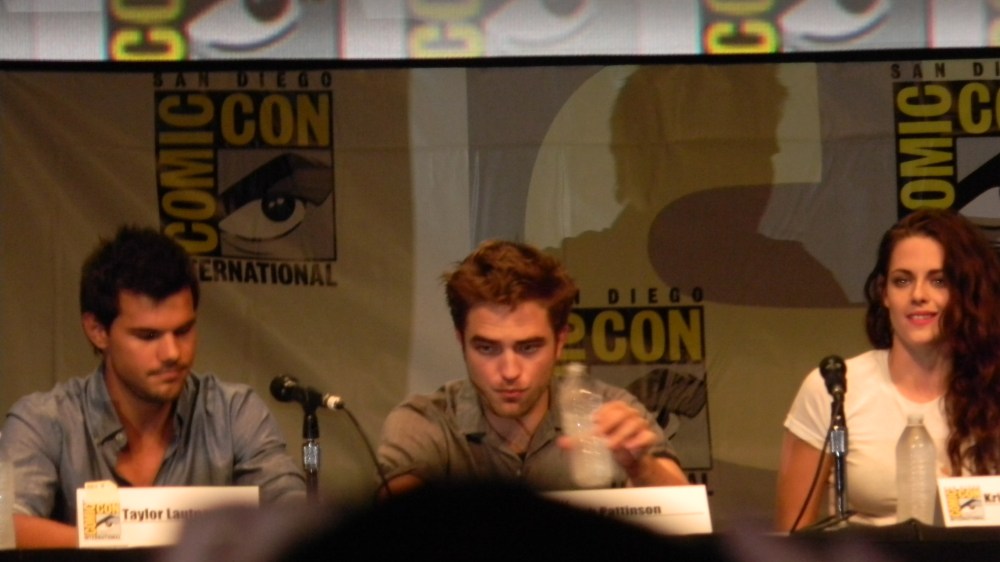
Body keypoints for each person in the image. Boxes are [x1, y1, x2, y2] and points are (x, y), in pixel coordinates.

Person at [0, 226, 306, 548]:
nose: (172, 353)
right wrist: (132, 546)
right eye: (148, 336)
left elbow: (294, 513)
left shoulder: (234, 413)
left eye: (183, 331)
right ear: (97, 330)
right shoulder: (44, 421)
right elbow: (6, 526)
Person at [376, 240, 688, 496]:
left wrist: (640, 466)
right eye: (487, 348)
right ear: (461, 341)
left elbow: (686, 515)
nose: (510, 371)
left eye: (528, 348)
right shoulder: (425, 422)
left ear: (560, 341)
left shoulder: (608, 410)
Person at [775, 208, 1000, 530]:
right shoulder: (833, 390)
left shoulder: (993, 388)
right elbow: (791, 535)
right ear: (884, 293)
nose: (918, 295)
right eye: (902, 281)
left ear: (966, 292)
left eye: (938, 281)